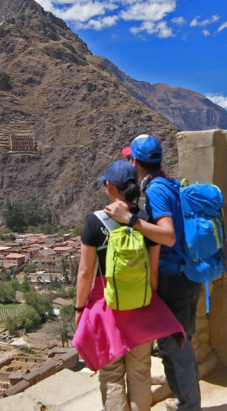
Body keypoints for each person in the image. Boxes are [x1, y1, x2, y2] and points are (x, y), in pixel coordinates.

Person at [72, 160, 184, 411]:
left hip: (106, 307)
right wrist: (148, 302)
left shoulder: (96, 221)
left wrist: (79, 309)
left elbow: (86, 272)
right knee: (140, 371)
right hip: (141, 304)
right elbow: (152, 270)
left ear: (110, 186)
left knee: (111, 373)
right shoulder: (146, 221)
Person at [107, 135, 202, 411]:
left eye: (129, 158)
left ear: (135, 161)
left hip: (174, 278)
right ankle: (185, 401)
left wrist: (130, 220)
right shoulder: (169, 183)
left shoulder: (157, 190)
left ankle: (190, 406)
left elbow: (168, 236)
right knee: (179, 341)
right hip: (186, 274)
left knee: (175, 345)